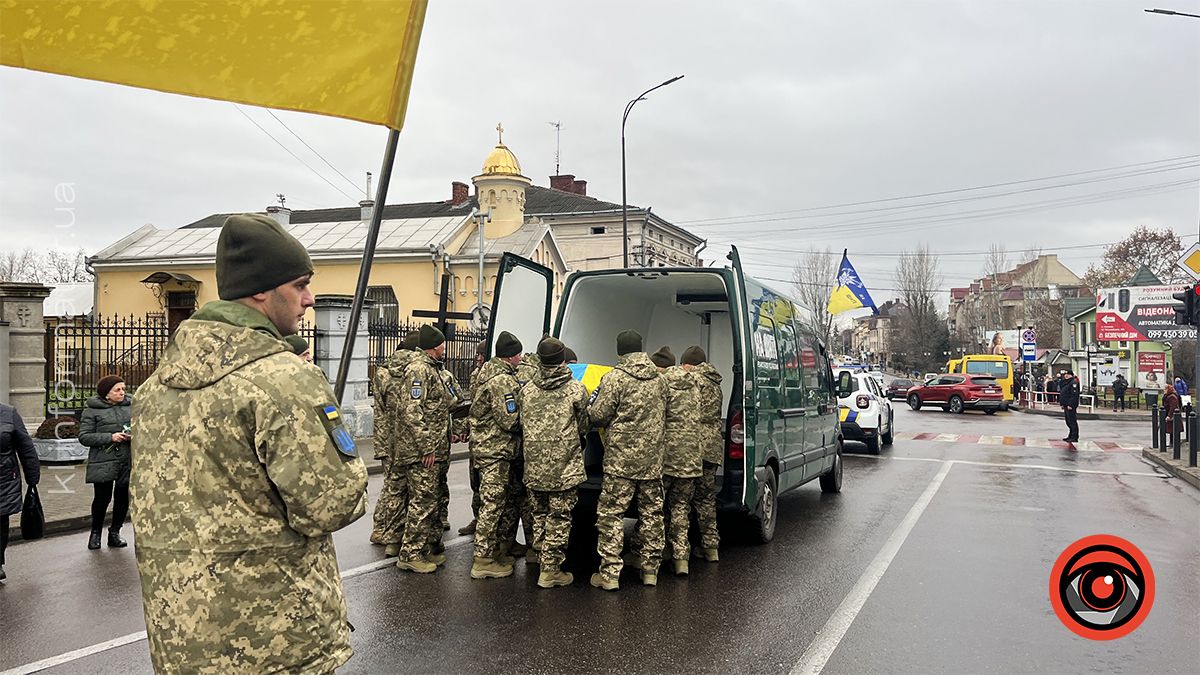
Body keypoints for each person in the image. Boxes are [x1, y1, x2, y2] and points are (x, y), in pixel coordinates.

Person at [130, 214, 369, 673]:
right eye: (299, 285)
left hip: (181, 638)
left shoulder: (156, 387)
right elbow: (332, 504)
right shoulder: (283, 379)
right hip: (274, 640)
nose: (309, 299)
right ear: (261, 290)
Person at [588, 329, 668, 591]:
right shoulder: (659, 379)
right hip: (652, 462)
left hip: (619, 463)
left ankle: (610, 574)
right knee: (652, 514)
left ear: (620, 351)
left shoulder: (614, 379)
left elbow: (598, 415)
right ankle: (650, 570)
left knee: (611, 515)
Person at [519, 337, 589, 589]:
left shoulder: (527, 390)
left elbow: (520, 422)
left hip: (534, 466)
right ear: (561, 359)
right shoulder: (575, 389)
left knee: (539, 513)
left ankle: (540, 557)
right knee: (559, 516)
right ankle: (551, 570)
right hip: (564, 466)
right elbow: (584, 424)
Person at [390, 324, 456, 574]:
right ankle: (410, 554)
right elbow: (412, 410)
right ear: (433, 347)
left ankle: (424, 549)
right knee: (422, 501)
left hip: (435, 447)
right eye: (442, 344)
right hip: (421, 452)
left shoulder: (432, 368)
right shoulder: (418, 370)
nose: (444, 348)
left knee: (433, 498)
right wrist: (427, 448)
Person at [468, 331, 524, 579]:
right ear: (512, 356)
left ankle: (498, 549)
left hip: (491, 449)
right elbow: (509, 419)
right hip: (495, 451)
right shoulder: (502, 381)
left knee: (501, 501)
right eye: (519, 354)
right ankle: (482, 560)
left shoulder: (486, 373)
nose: (521, 359)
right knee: (492, 504)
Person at [654, 346, 704, 577]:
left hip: (666, 458)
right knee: (681, 508)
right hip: (691, 458)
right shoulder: (696, 385)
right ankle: (681, 559)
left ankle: (656, 554)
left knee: (657, 509)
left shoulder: (661, 385)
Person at [372, 330, 420, 554]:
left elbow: (379, 409)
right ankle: (403, 533)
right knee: (412, 487)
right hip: (410, 437)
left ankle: (383, 528)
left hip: (387, 435)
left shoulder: (382, 372)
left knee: (392, 485)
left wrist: (380, 442)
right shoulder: (417, 370)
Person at [78, 374, 133, 550]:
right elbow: (84, 436)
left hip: (126, 459)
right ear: (106, 394)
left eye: (123, 389)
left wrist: (133, 435)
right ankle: (95, 534)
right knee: (102, 499)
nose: (122, 392)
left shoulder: (132, 406)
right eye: (117, 390)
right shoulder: (92, 410)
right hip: (103, 460)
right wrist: (110, 437)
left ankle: (115, 532)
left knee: (122, 498)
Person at [686, 346, 723, 562]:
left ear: (690, 364)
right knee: (706, 500)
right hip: (711, 449)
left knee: (680, 499)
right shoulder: (714, 382)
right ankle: (711, 547)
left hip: (691, 449)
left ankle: (676, 548)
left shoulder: (692, 380)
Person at [1, 403, 40, 583]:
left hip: (4, 479)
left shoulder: (8, 413)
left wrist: (32, 477)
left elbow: (25, 446)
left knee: (0, 521)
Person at [459, 341, 489, 537]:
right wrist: (465, 427)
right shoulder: (474, 375)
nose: (478, 357)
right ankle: (477, 518)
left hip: (488, 439)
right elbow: (473, 408)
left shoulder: (492, 376)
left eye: (482, 354)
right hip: (475, 438)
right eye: (477, 354)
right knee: (475, 481)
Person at [1059, 369, 1081, 443]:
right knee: (1068, 421)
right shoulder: (1066, 382)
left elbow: (1074, 395)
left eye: (1067, 374)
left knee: (1072, 421)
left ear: (1071, 375)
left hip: (1070, 405)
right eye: (1065, 374)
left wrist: (1071, 404)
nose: (1066, 375)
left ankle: (1074, 436)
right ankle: (1070, 435)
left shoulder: (1073, 382)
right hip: (1066, 404)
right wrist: (1062, 404)